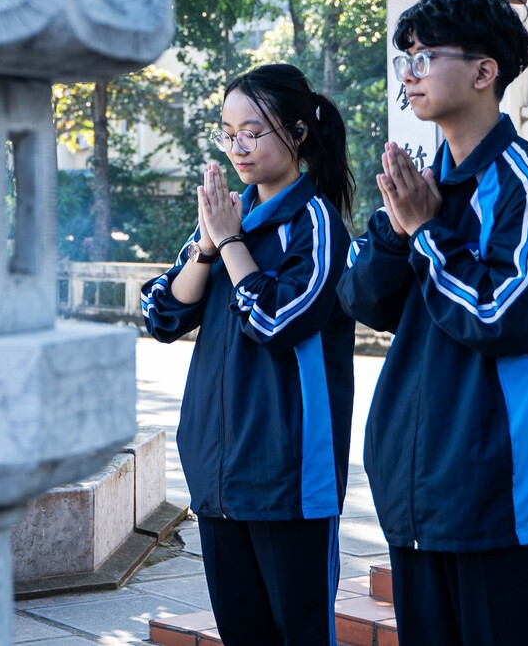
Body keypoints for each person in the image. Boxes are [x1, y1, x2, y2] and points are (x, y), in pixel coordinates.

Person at [337, 0, 528, 646]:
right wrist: (402, 233)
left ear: (485, 72)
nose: (409, 73)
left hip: (503, 494)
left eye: (425, 56)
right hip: (419, 489)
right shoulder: (424, 185)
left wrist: (428, 233)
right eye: (404, 59)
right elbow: (363, 298)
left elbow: (501, 315)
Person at [139, 64, 357, 646]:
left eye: (253, 132)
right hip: (218, 470)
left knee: (300, 633)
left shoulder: (317, 226)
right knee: (243, 633)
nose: (238, 147)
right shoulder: (230, 219)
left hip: (288, 476)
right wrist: (209, 245)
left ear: (298, 133)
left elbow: (274, 320)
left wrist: (232, 243)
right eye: (227, 133)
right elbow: (160, 314)